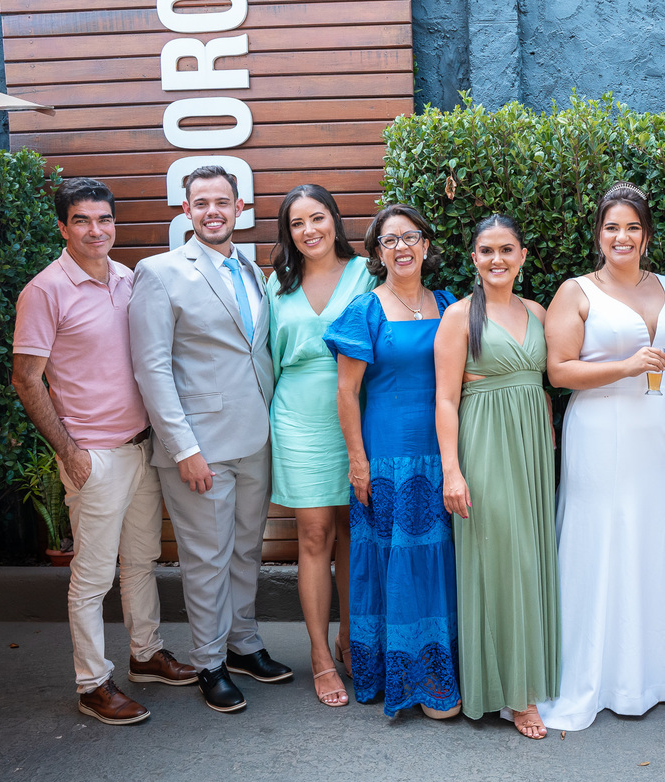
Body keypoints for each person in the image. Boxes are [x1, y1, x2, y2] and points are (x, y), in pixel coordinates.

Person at [11, 177, 197, 725]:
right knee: (92, 578)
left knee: (141, 562)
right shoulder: (44, 291)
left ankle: (145, 655)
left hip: (141, 447)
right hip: (94, 455)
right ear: (63, 226)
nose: (96, 230)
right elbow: (26, 379)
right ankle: (93, 683)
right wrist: (70, 452)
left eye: (104, 219)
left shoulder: (128, 278)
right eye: (83, 220)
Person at [130, 165, 292, 714]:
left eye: (221, 202)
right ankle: (209, 661)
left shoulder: (250, 268)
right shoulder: (158, 272)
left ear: (240, 207)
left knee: (248, 548)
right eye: (201, 203)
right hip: (200, 448)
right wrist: (184, 449)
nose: (212, 211)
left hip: (256, 438)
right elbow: (152, 369)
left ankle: (242, 642)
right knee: (205, 558)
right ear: (185, 211)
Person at [537, 181, 665, 732]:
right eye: (611, 227)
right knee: (598, 540)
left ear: (645, 235)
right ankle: (591, 675)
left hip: (660, 431)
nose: (621, 236)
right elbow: (559, 371)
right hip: (600, 429)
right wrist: (625, 367)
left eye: (631, 226)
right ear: (598, 235)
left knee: (651, 539)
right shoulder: (576, 291)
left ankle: (651, 674)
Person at [324, 203, 461, 718]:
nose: (401, 247)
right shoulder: (366, 311)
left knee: (438, 562)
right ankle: (407, 679)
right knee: (396, 561)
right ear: (378, 253)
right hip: (387, 461)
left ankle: (437, 671)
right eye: (389, 240)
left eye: (410, 237)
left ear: (426, 244)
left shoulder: (450, 304)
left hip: (442, 455)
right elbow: (346, 391)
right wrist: (357, 462)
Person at [434, 215, 560, 739]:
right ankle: (514, 694)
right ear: (474, 258)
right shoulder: (460, 317)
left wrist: (549, 431)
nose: (497, 260)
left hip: (533, 447)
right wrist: (452, 472)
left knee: (531, 559)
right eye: (486, 251)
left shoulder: (538, 311)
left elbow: (551, 379)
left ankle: (526, 676)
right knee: (499, 560)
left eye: (506, 249)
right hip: (484, 445)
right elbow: (444, 398)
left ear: (523, 256)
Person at [267, 184, 376, 707]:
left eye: (317, 218)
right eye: (296, 223)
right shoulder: (278, 284)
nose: (309, 230)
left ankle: (351, 641)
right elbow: (263, 359)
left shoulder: (367, 276)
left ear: (335, 219)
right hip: (298, 415)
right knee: (313, 534)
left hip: (356, 411)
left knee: (354, 529)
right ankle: (319, 654)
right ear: (288, 233)